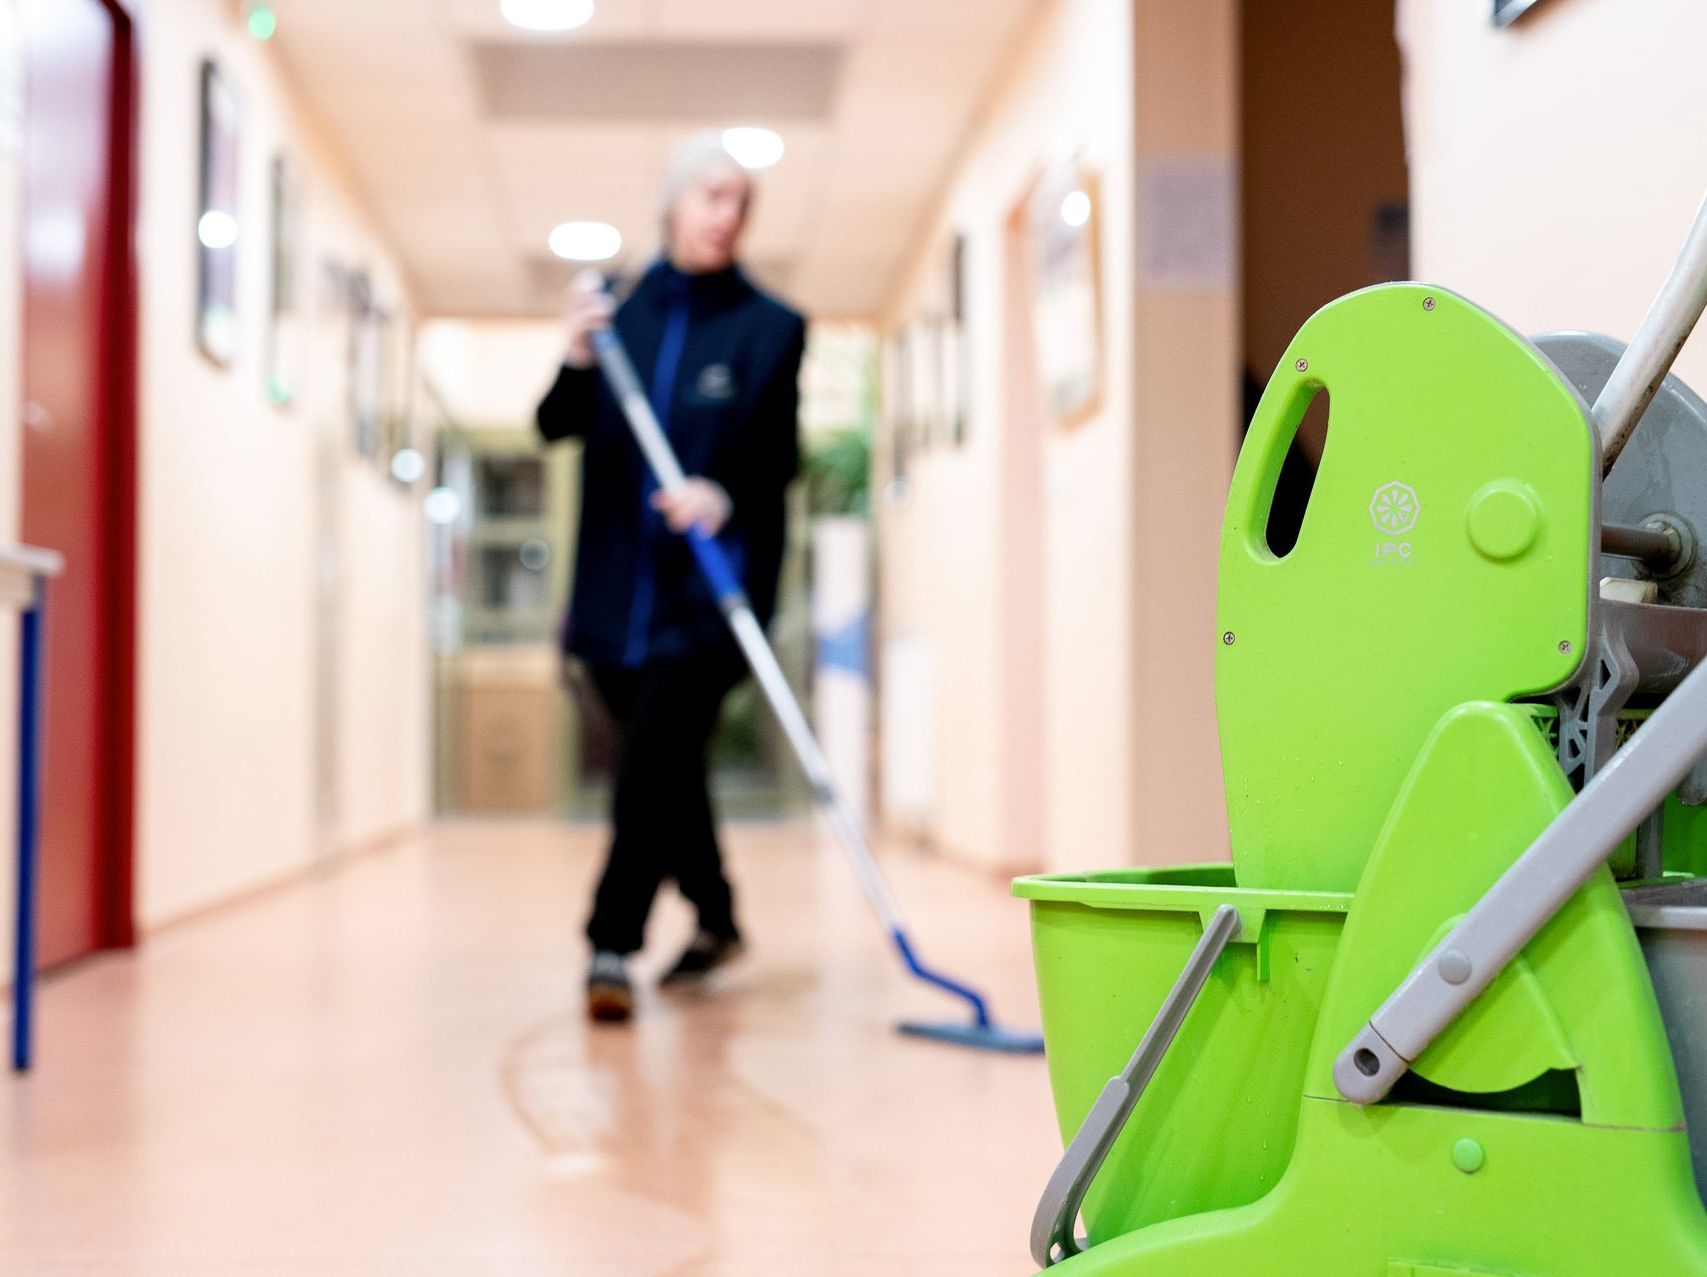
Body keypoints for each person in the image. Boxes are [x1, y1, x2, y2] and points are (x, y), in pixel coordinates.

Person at [536, 132, 807, 1024]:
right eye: (711, 196)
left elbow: (777, 461)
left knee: (649, 756)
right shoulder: (617, 315)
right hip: (615, 597)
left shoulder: (770, 329)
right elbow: (553, 425)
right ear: (672, 205)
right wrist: (577, 356)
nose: (726, 215)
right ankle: (720, 917)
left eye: (740, 201)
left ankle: (609, 942)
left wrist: (721, 493)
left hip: (709, 595)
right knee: (668, 768)